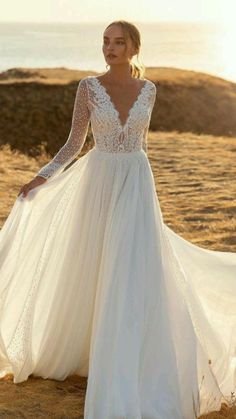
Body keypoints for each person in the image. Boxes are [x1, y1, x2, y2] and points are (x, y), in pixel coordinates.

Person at [0, 19, 236, 419]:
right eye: (105, 42)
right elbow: (75, 142)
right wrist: (43, 176)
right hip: (99, 180)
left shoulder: (150, 89)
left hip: (137, 181)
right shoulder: (89, 87)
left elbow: (141, 143)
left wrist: (145, 189)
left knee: (132, 266)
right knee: (94, 262)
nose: (109, 48)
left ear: (133, 47)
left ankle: (128, 355)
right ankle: (87, 348)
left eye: (118, 42)